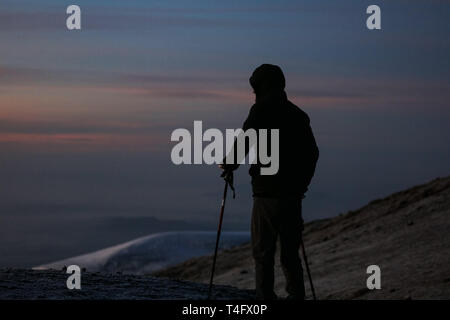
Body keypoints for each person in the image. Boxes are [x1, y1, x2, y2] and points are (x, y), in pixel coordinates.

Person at [220, 64, 319, 300]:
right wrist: (301, 185)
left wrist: (229, 165)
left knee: (263, 252)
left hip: (266, 194)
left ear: (261, 86)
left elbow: (245, 141)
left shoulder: (260, 111)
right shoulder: (298, 115)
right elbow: (312, 154)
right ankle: (296, 297)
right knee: (290, 253)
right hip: (292, 196)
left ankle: (264, 298)